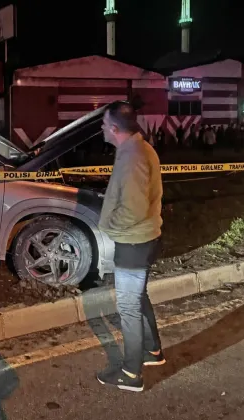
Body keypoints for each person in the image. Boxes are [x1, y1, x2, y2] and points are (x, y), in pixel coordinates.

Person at [96, 101, 164, 392]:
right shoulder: (138, 149)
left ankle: (131, 374)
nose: (101, 128)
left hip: (134, 242)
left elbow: (133, 210)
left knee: (128, 307)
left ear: (114, 128)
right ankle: (152, 351)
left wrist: (108, 227)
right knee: (138, 299)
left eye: (103, 123)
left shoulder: (132, 156)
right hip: (143, 237)